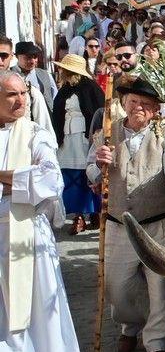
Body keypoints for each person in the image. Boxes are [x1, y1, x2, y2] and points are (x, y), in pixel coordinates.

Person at [86, 76, 165, 352]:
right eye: (133, 102)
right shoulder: (105, 134)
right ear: (123, 104)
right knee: (117, 286)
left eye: (146, 104)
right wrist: (98, 164)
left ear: (155, 110)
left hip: (159, 222)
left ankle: (156, 343)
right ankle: (129, 326)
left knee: (159, 287)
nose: (138, 107)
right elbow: (90, 173)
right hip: (118, 222)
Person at [0, 72, 83, 352]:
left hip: (27, 234)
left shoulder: (35, 135)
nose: (20, 100)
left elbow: (49, 181)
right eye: (11, 94)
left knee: (32, 304)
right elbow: (30, 178)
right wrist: (19, 178)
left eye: (23, 93)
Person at [50, 54, 104, 233]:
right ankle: (78, 215)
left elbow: (98, 113)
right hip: (67, 137)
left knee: (87, 174)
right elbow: (57, 112)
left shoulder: (90, 88)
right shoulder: (65, 89)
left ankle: (94, 212)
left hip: (84, 138)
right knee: (70, 176)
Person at [0, 36, 52, 133]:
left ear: (11, 56)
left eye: (3, 55)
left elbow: (44, 130)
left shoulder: (30, 92)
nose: (0, 60)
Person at [14, 41, 57, 106]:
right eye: (28, 57)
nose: (33, 61)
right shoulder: (9, 74)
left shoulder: (45, 75)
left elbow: (55, 97)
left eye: (35, 57)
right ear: (17, 56)